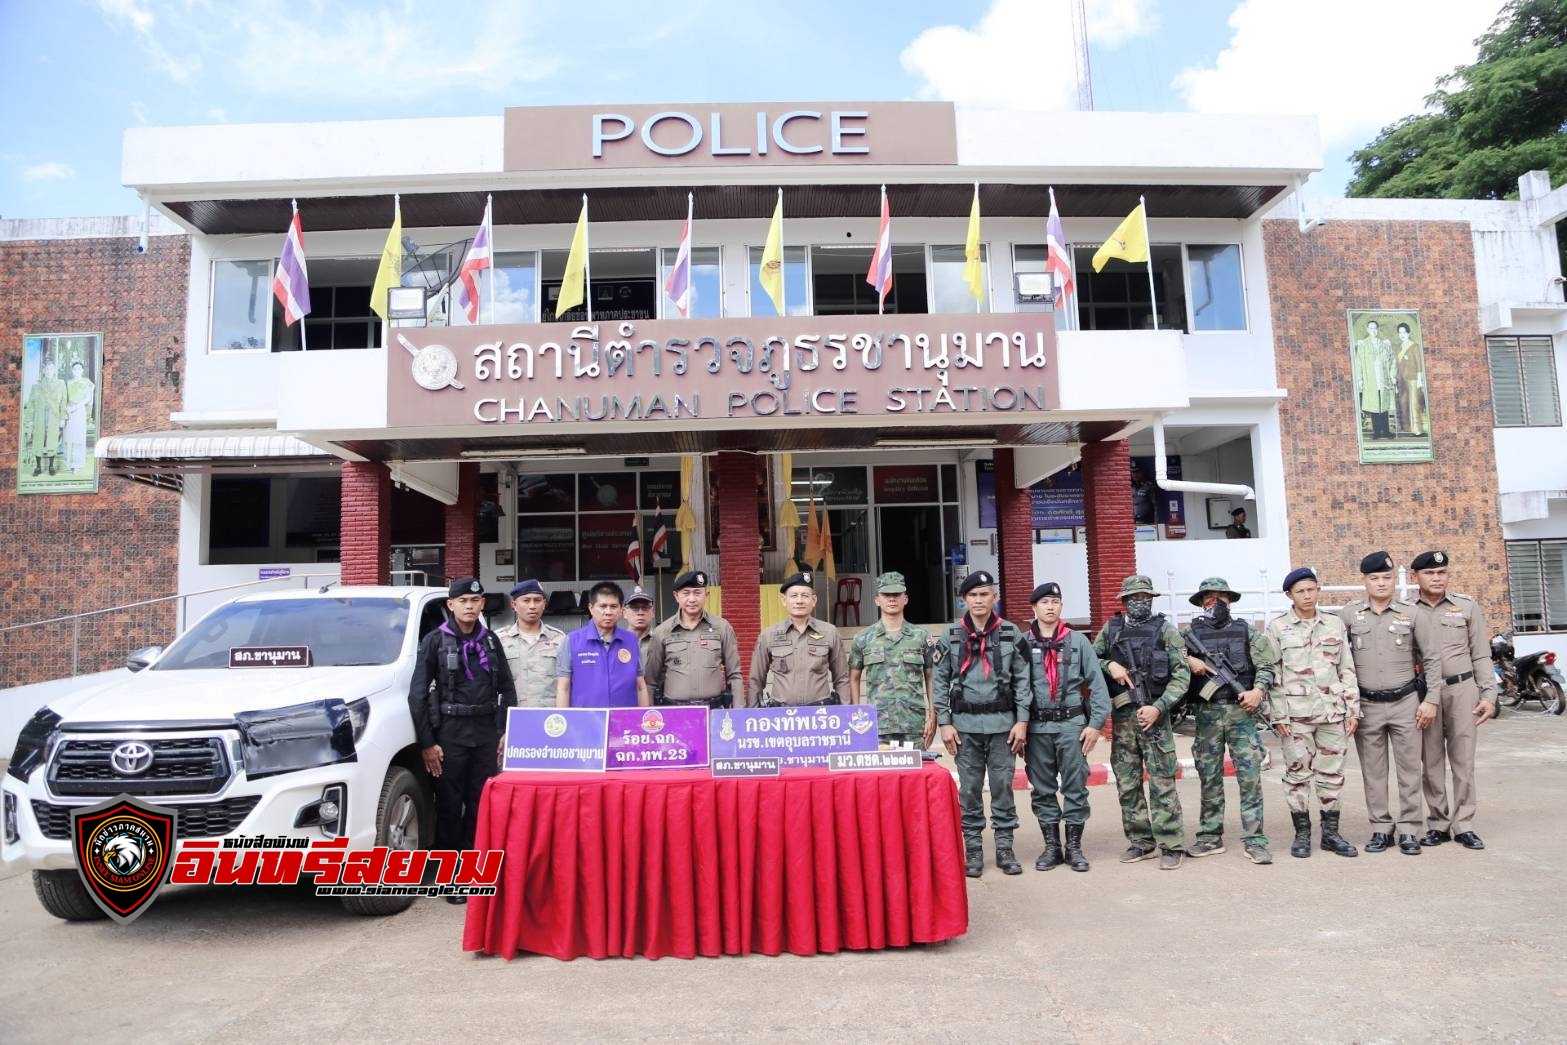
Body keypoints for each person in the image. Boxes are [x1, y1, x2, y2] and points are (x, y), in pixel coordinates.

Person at [407, 578, 517, 903]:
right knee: (450, 808)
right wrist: (427, 743)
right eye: (463, 600)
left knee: (480, 807)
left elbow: (507, 690)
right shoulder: (434, 641)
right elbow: (417, 696)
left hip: (485, 734)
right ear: (451, 605)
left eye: (475, 600)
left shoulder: (491, 642)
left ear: (483, 604)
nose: (470, 606)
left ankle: (476, 875)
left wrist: (503, 731)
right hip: (449, 735)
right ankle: (449, 880)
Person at [1338, 552, 1442, 856]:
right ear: (1364, 581)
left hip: (1406, 702)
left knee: (1410, 768)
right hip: (1367, 705)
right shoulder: (1349, 615)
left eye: (1386, 578)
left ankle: (1410, 828)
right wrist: (1348, 705)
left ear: (1393, 580)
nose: (1381, 583)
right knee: (1373, 771)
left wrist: (1431, 700)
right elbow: (1338, 660)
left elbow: (1432, 659)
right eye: (1374, 578)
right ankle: (1381, 828)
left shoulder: (1412, 614)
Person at [932, 571, 1031, 877]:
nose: (978, 600)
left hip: (1003, 725)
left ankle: (1005, 849)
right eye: (972, 595)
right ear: (964, 599)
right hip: (964, 727)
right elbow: (939, 682)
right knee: (970, 790)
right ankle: (973, 850)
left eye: (984, 594)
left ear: (994, 597)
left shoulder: (1011, 633)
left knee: (1002, 786)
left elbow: (1023, 681)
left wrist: (1023, 721)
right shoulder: (951, 636)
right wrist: (944, 723)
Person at [1093, 575, 1190, 870]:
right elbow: (1088, 660)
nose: (1140, 603)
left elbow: (1182, 675)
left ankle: (1170, 844)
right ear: (1123, 602)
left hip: (1155, 719)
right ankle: (1141, 841)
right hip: (1124, 720)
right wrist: (1109, 664)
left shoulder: (1166, 631)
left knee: (1162, 783)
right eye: (1134, 599)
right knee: (1128, 783)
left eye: (1145, 598)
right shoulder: (1110, 630)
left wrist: (1159, 707)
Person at [1181, 577, 1279, 864]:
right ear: (1201, 603)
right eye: (1208, 598)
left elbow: (1266, 666)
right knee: (1209, 777)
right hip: (1207, 714)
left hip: (1241, 713)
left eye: (1220, 598)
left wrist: (1257, 691)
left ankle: (1255, 839)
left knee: (1250, 779)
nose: (1215, 603)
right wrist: (1189, 661)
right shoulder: (1188, 634)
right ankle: (1210, 836)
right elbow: (1171, 657)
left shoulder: (1247, 631)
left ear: (1230, 601)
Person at [1263, 568, 1360, 859]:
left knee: (1332, 776)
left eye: (1311, 589)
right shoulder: (1278, 628)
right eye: (1300, 591)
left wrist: (1352, 708)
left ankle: (1331, 834)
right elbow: (1273, 673)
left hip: (1332, 713)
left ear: (1318, 590)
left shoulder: (1333, 624)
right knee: (1297, 775)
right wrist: (1278, 716)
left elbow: (1346, 667)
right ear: (1289, 595)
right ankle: (1302, 835)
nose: (1307, 595)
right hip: (1295, 717)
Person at [1020, 581, 1109, 872]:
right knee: (1042, 789)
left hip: (1072, 727)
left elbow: (1097, 685)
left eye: (1055, 602)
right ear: (1033, 607)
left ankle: (1074, 847)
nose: (1049, 607)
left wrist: (1096, 725)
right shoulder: (1022, 643)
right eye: (1044, 602)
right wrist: (1018, 727)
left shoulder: (1078, 641)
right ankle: (1051, 847)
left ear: (1061, 607)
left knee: (1075, 787)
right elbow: (1012, 688)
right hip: (1036, 728)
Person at [1411, 550, 1496, 850]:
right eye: (1430, 573)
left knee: (1463, 760)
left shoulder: (1466, 607)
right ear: (1415, 577)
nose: (1437, 578)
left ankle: (1464, 824)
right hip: (1425, 695)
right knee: (1430, 760)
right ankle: (1438, 823)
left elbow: (1481, 653)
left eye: (1442, 572)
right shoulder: (1407, 611)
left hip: (1462, 690)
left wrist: (1489, 693)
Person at [848, 571, 935, 748]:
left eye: (897, 594)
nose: (892, 599)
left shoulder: (921, 637)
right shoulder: (863, 638)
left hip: (913, 724)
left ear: (906, 599)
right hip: (878, 724)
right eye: (886, 595)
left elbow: (931, 677)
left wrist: (933, 714)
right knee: (880, 775)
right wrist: (856, 714)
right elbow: (853, 678)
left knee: (915, 774)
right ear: (877, 600)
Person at [747, 572, 850, 707]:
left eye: (805, 596)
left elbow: (842, 678)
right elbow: (756, 680)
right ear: (784, 600)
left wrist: (845, 713)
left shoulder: (830, 632)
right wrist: (752, 714)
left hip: (820, 715)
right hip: (781, 716)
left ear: (813, 600)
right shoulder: (768, 635)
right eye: (794, 596)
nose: (799, 601)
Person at [643, 570, 742, 708]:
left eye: (697, 593)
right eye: (686, 593)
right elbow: (651, 681)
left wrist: (738, 713)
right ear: (676, 596)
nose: (692, 599)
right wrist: (651, 715)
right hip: (675, 713)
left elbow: (734, 675)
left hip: (714, 711)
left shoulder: (722, 627)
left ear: (706, 595)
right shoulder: (662, 632)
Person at [556, 581, 650, 708]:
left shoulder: (631, 641)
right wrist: (565, 722)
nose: (608, 612)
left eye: (613, 606)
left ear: (621, 609)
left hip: (624, 720)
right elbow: (563, 688)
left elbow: (640, 686)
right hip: (586, 721)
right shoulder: (572, 640)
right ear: (591, 608)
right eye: (603, 606)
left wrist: (642, 720)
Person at [493, 579, 565, 708]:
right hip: (511, 715)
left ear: (544, 604)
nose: (532, 606)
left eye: (537, 600)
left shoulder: (560, 639)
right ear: (514, 605)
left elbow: (565, 683)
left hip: (548, 718)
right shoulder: (498, 639)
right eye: (526, 600)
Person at [23, 356, 66, 478]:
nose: (49, 371)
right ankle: (38, 466)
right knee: (38, 442)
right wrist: (29, 422)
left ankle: (51, 466)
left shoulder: (60, 384)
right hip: (40, 418)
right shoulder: (36, 386)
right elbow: (31, 405)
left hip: (53, 417)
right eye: (47, 369)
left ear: (54, 370)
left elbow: (63, 402)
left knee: (52, 441)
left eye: (51, 369)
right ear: (43, 370)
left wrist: (62, 418)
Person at [1355, 319, 1396, 440]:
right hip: (1370, 379)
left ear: (1378, 330)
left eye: (1375, 328)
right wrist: (1360, 379)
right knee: (1374, 405)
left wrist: (1392, 375)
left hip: (1383, 378)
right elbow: (1359, 363)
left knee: (1383, 405)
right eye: (1371, 328)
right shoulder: (1363, 346)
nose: (1373, 330)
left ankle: (1386, 431)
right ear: (1368, 330)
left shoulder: (1384, 345)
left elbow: (1392, 360)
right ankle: (1377, 431)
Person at [1394, 323, 1426, 436]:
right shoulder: (1398, 347)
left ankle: (1417, 429)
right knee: (1404, 403)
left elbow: (1419, 364)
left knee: (1414, 404)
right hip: (1401, 379)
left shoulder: (1414, 346)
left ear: (1408, 333)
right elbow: (1396, 364)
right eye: (1400, 332)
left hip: (1413, 379)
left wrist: (1420, 380)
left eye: (1404, 332)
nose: (1402, 334)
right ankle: (1407, 428)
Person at [63, 359, 95, 472]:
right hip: (69, 411)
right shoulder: (68, 383)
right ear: (72, 370)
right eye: (75, 368)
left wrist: (76, 407)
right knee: (69, 436)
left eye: (79, 368)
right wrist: (67, 408)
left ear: (82, 370)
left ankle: (77, 465)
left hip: (79, 410)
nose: (77, 370)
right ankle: (68, 463)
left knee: (78, 437)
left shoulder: (86, 382)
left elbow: (87, 398)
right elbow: (64, 397)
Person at [622, 585, 656, 667]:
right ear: (624, 612)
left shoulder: (661, 641)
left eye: (645, 607)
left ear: (653, 612)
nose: (640, 613)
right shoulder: (616, 642)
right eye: (635, 608)